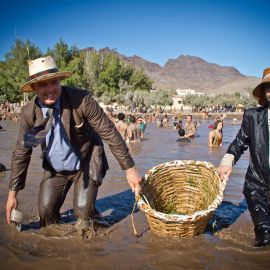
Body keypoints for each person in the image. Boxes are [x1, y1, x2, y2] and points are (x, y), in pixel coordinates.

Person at [5, 56, 141, 235]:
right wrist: (12, 193)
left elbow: (109, 132)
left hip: (87, 161)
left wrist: (129, 168)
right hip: (56, 168)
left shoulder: (81, 100)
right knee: (46, 214)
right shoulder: (29, 113)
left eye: (54, 82)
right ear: (33, 88)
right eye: (43, 85)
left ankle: (97, 227)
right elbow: (22, 153)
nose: (50, 89)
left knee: (83, 212)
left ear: (60, 81)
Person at [219, 67, 270, 247]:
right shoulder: (252, 116)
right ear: (264, 92)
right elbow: (240, 142)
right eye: (268, 87)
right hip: (256, 185)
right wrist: (227, 162)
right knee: (264, 235)